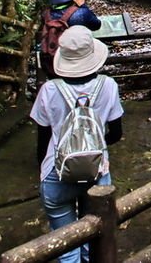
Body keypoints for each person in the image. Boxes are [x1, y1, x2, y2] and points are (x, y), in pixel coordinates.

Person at [30, 26, 124, 263]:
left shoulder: (49, 90)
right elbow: (116, 133)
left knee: (66, 244)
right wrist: (96, 147)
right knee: (94, 239)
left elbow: (43, 140)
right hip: (96, 171)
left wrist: (44, 169)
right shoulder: (108, 86)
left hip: (57, 172)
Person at [40, 0, 102, 78]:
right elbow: (96, 25)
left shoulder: (46, 14)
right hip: (79, 62)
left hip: (56, 62)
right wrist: (83, 5)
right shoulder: (81, 13)